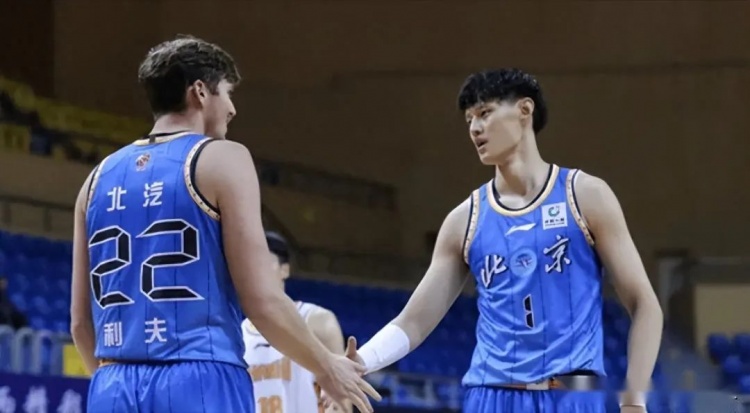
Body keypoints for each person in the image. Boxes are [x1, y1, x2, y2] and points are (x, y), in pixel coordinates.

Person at [69, 35, 379, 413]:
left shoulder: (95, 179)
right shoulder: (223, 159)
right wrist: (327, 365)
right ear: (200, 92)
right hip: (200, 377)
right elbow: (262, 301)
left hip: (111, 383)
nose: (232, 109)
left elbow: (80, 324)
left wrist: (112, 384)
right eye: (228, 93)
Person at [342, 68, 663, 413]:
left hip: (572, 395)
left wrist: (634, 400)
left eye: (485, 113)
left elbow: (644, 304)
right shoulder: (464, 220)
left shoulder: (585, 195)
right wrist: (359, 363)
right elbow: (414, 321)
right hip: (490, 396)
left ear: (524, 110)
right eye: (469, 120)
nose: (474, 128)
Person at [243, 231, 350, 413]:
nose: (258, 270)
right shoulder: (238, 335)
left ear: (285, 269)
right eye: (252, 263)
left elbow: (342, 399)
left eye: (265, 262)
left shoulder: (318, 320)